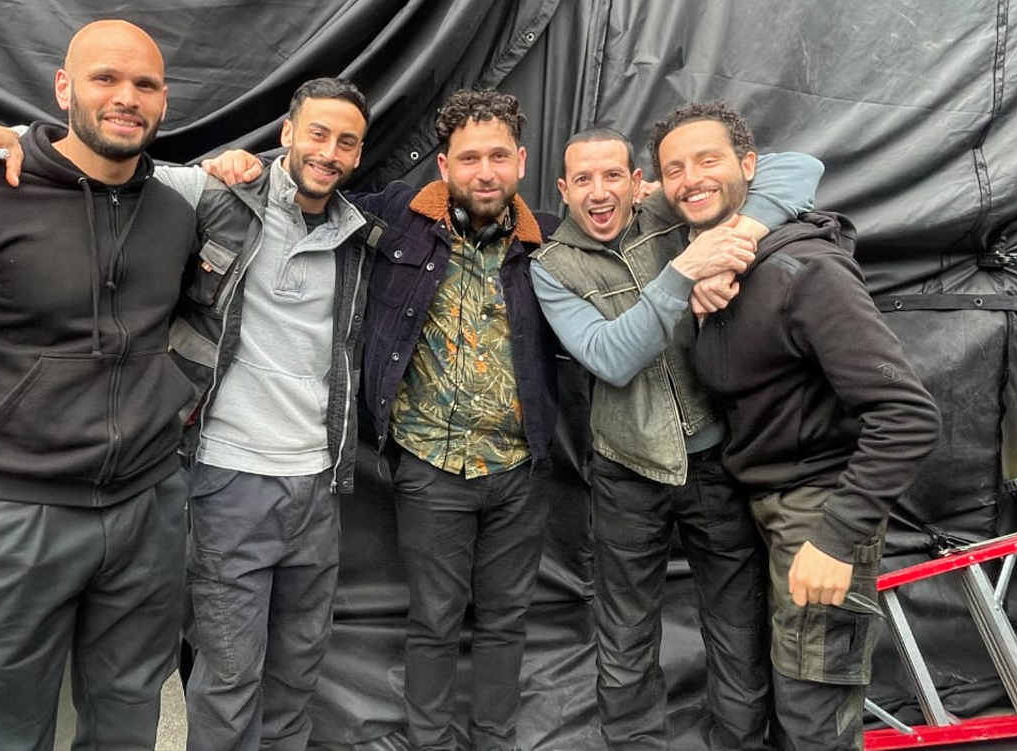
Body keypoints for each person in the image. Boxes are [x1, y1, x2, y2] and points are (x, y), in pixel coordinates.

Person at [0, 77, 382, 751]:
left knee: (298, 672)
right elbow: (103, 160)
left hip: (318, 485)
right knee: (230, 677)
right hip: (228, 478)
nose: (330, 152)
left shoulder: (356, 234)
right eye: (318, 133)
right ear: (288, 133)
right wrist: (10, 139)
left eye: (346, 142)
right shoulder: (218, 195)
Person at [0, 20, 197, 751]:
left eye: (145, 84)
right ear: (63, 88)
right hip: (14, 520)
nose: (127, 97)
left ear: (164, 100)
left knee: (127, 728)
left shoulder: (175, 215)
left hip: (147, 512)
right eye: (105, 78)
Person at [648, 102, 942, 751]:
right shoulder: (714, 262)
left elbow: (907, 415)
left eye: (708, 160)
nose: (691, 179)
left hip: (817, 508)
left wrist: (836, 539)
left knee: (813, 717)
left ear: (750, 166)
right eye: (674, 169)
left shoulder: (806, 272)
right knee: (771, 697)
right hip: (757, 507)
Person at [530, 127, 823, 750]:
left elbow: (800, 167)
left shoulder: (672, 208)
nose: (599, 191)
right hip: (627, 470)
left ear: (639, 182)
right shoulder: (551, 266)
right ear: (563, 190)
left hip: (719, 460)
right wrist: (686, 274)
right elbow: (609, 357)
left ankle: (738, 742)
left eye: (614, 175)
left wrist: (736, 240)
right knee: (626, 635)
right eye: (583, 179)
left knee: (738, 628)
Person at [354, 89, 559, 751]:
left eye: (499, 155)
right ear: (444, 166)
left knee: (505, 621)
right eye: (469, 158)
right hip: (430, 468)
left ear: (521, 160)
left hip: (520, 470)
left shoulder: (551, 239)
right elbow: (312, 194)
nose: (485, 171)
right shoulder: (400, 219)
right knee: (435, 622)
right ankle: (430, 743)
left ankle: (494, 739)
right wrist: (245, 166)